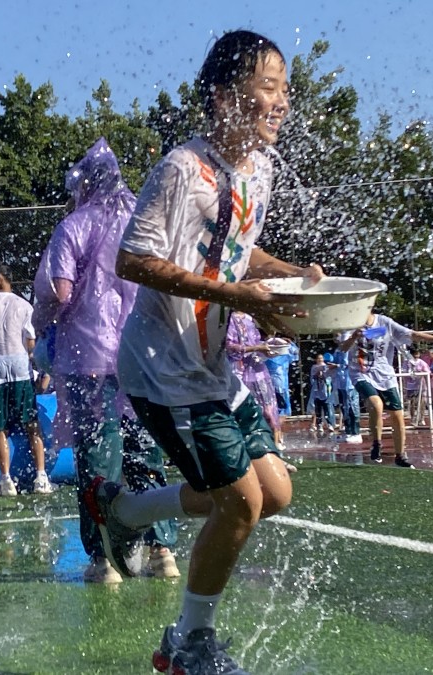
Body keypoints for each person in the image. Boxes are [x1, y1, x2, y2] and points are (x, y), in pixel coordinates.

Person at [83, 31, 320, 674]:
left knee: (274, 492)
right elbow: (132, 259)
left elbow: (240, 253)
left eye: (284, 89)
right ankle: (187, 642)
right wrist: (233, 294)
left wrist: (291, 273)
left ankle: (125, 508)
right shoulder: (182, 169)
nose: (281, 101)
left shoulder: (257, 170)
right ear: (223, 97)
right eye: (267, 87)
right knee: (239, 502)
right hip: (164, 370)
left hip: (210, 365)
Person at [33, 137, 178, 583]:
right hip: (142, 356)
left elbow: (58, 292)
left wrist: (42, 321)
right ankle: (162, 551)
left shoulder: (74, 225)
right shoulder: (141, 221)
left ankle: (102, 559)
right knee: (145, 449)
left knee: (97, 455)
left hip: (87, 359)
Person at [340, 310, 433, 467]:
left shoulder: (384, 323)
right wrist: (354, 336)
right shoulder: (350, 325)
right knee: (376, 404)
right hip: (361, 373)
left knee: (397, 415)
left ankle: (400, 455)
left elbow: (412, 334)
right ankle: (376, 443)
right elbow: (342, 348)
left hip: (385, 374)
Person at [0, 264, 51, 496]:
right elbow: (30, 341)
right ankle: (41, 475)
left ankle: (6, 479)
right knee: (31, 423)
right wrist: (38, 368)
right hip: (19, 368)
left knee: (1, 427)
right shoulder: (23, 305)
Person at [226, 312, 283, 448]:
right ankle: (253, 449)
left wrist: (272, 345)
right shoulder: (229, 318)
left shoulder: (249, 318)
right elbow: (229, 347)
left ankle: (275, 450)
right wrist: (258, 348)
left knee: (269, 411)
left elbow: (256, 342)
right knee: (247, 413)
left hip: (258, 371)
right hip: (238, 373)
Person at [332, 344, 362, 444]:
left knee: (352, 407)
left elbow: (349, 364)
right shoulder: (337, 350)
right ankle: (348, 431)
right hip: (341, 383)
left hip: (350, 383)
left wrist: (337, 366)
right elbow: (335, 362)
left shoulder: (351, 349)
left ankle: (356, 432)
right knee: (344, 407)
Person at [403, 346, 430, 427]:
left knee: (422, 402)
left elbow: (427, 371)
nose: (416, 356)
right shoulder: (407, 362)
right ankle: (412, 418)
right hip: (410, 385)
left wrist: (422, 373)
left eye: (418, 354)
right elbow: (404, 371)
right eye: (415, 354)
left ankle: (421, 418)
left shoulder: (421, 362)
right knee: (412, 402)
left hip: (421, 385)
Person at [310, 353, 335, 434]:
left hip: (325, 390)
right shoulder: (314, 367)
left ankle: (330, 424)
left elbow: (329, 377)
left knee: (327, 407)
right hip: (317, 391)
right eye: (318, 358)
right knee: (318, 409)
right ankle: (319, 425)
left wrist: (323, 375)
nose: (320, 360)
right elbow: (312, 379)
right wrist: (316, 375)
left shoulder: (326, 367)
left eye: (321, 358)